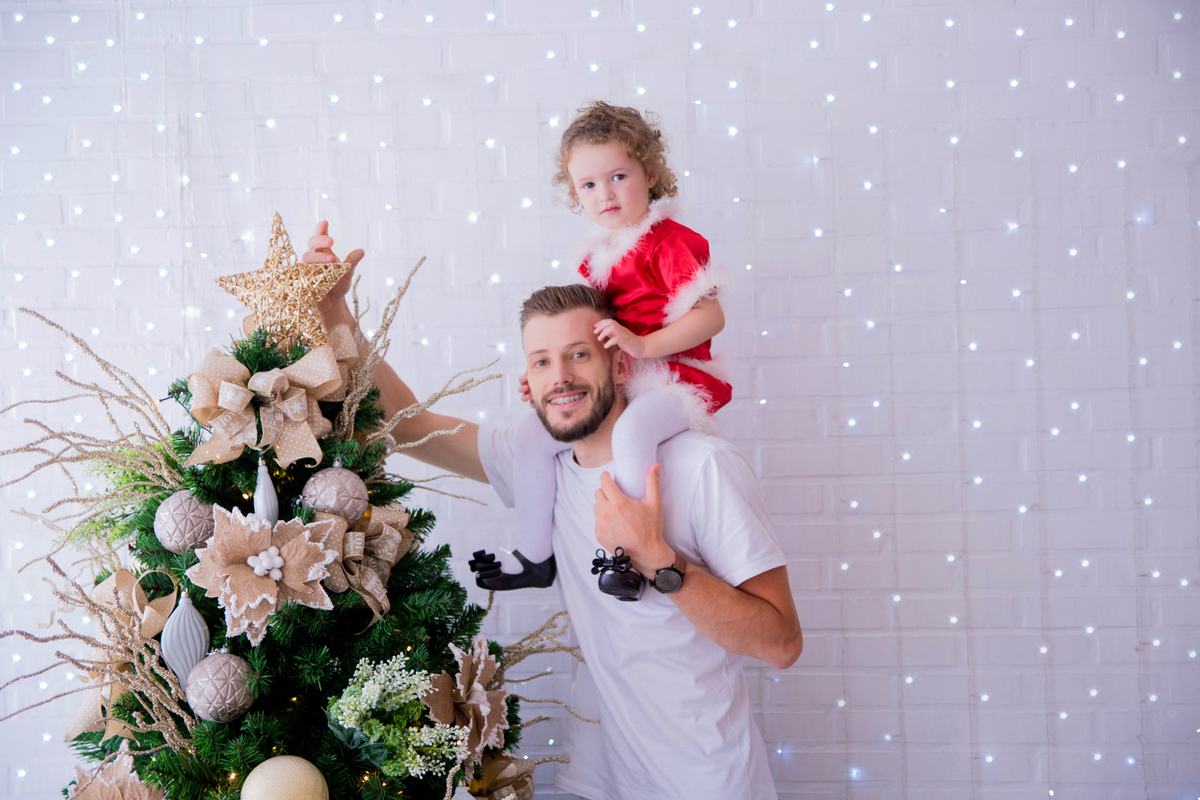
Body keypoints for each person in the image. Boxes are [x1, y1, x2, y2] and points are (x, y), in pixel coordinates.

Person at [303, 232, 801, 798]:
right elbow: (410, 425)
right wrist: (333, 308)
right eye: (542, 361)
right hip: (601, 777)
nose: (560, 376)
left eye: (578, 354)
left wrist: (661, 561)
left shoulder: (700, 466)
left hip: (706, 781)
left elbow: (780, 642)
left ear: (619, 363)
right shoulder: (542, 466)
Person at [478, 102, 732, 595]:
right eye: (588, 185)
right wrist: (549, 377)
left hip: (677, 378)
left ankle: (630, 555)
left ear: (651, 173)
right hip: (623, 376)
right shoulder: (596, 257)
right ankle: (536, 556)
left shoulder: (669, 241)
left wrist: (643, 342)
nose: (605, 193)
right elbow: (577, 335)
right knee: (531, 436)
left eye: (618, 176)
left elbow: (711, 316)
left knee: (632, 431)